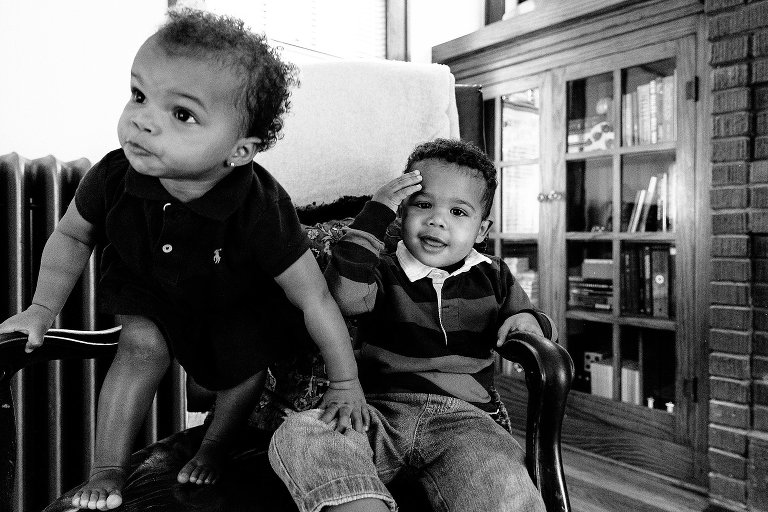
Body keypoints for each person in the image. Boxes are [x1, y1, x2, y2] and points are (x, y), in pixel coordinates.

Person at [0, 9, 367, 511]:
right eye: (138, 94)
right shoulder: (112, 176)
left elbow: (314, 296)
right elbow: (70, 237)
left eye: (182, 114)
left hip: (233, 297)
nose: (143, 119)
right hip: (147, 284)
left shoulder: (259, 204)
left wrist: (345, 381)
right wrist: (41, 309)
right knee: (141, 347)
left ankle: (215, 445)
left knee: (244, 370)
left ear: (239, 151)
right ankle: (107, 470)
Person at [268, 138, 557, 512]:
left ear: (481, 230)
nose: (437, 219)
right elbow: (342, 298)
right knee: (304, 432)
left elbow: (530, 320)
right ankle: (360, 503)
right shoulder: (382, 268)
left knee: (500, 475)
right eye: (423, 205)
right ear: (402, 214)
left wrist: (525, 320)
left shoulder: (494, 275)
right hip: (380, 413)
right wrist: (374, 214)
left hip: (466, 421)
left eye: (458, 212)